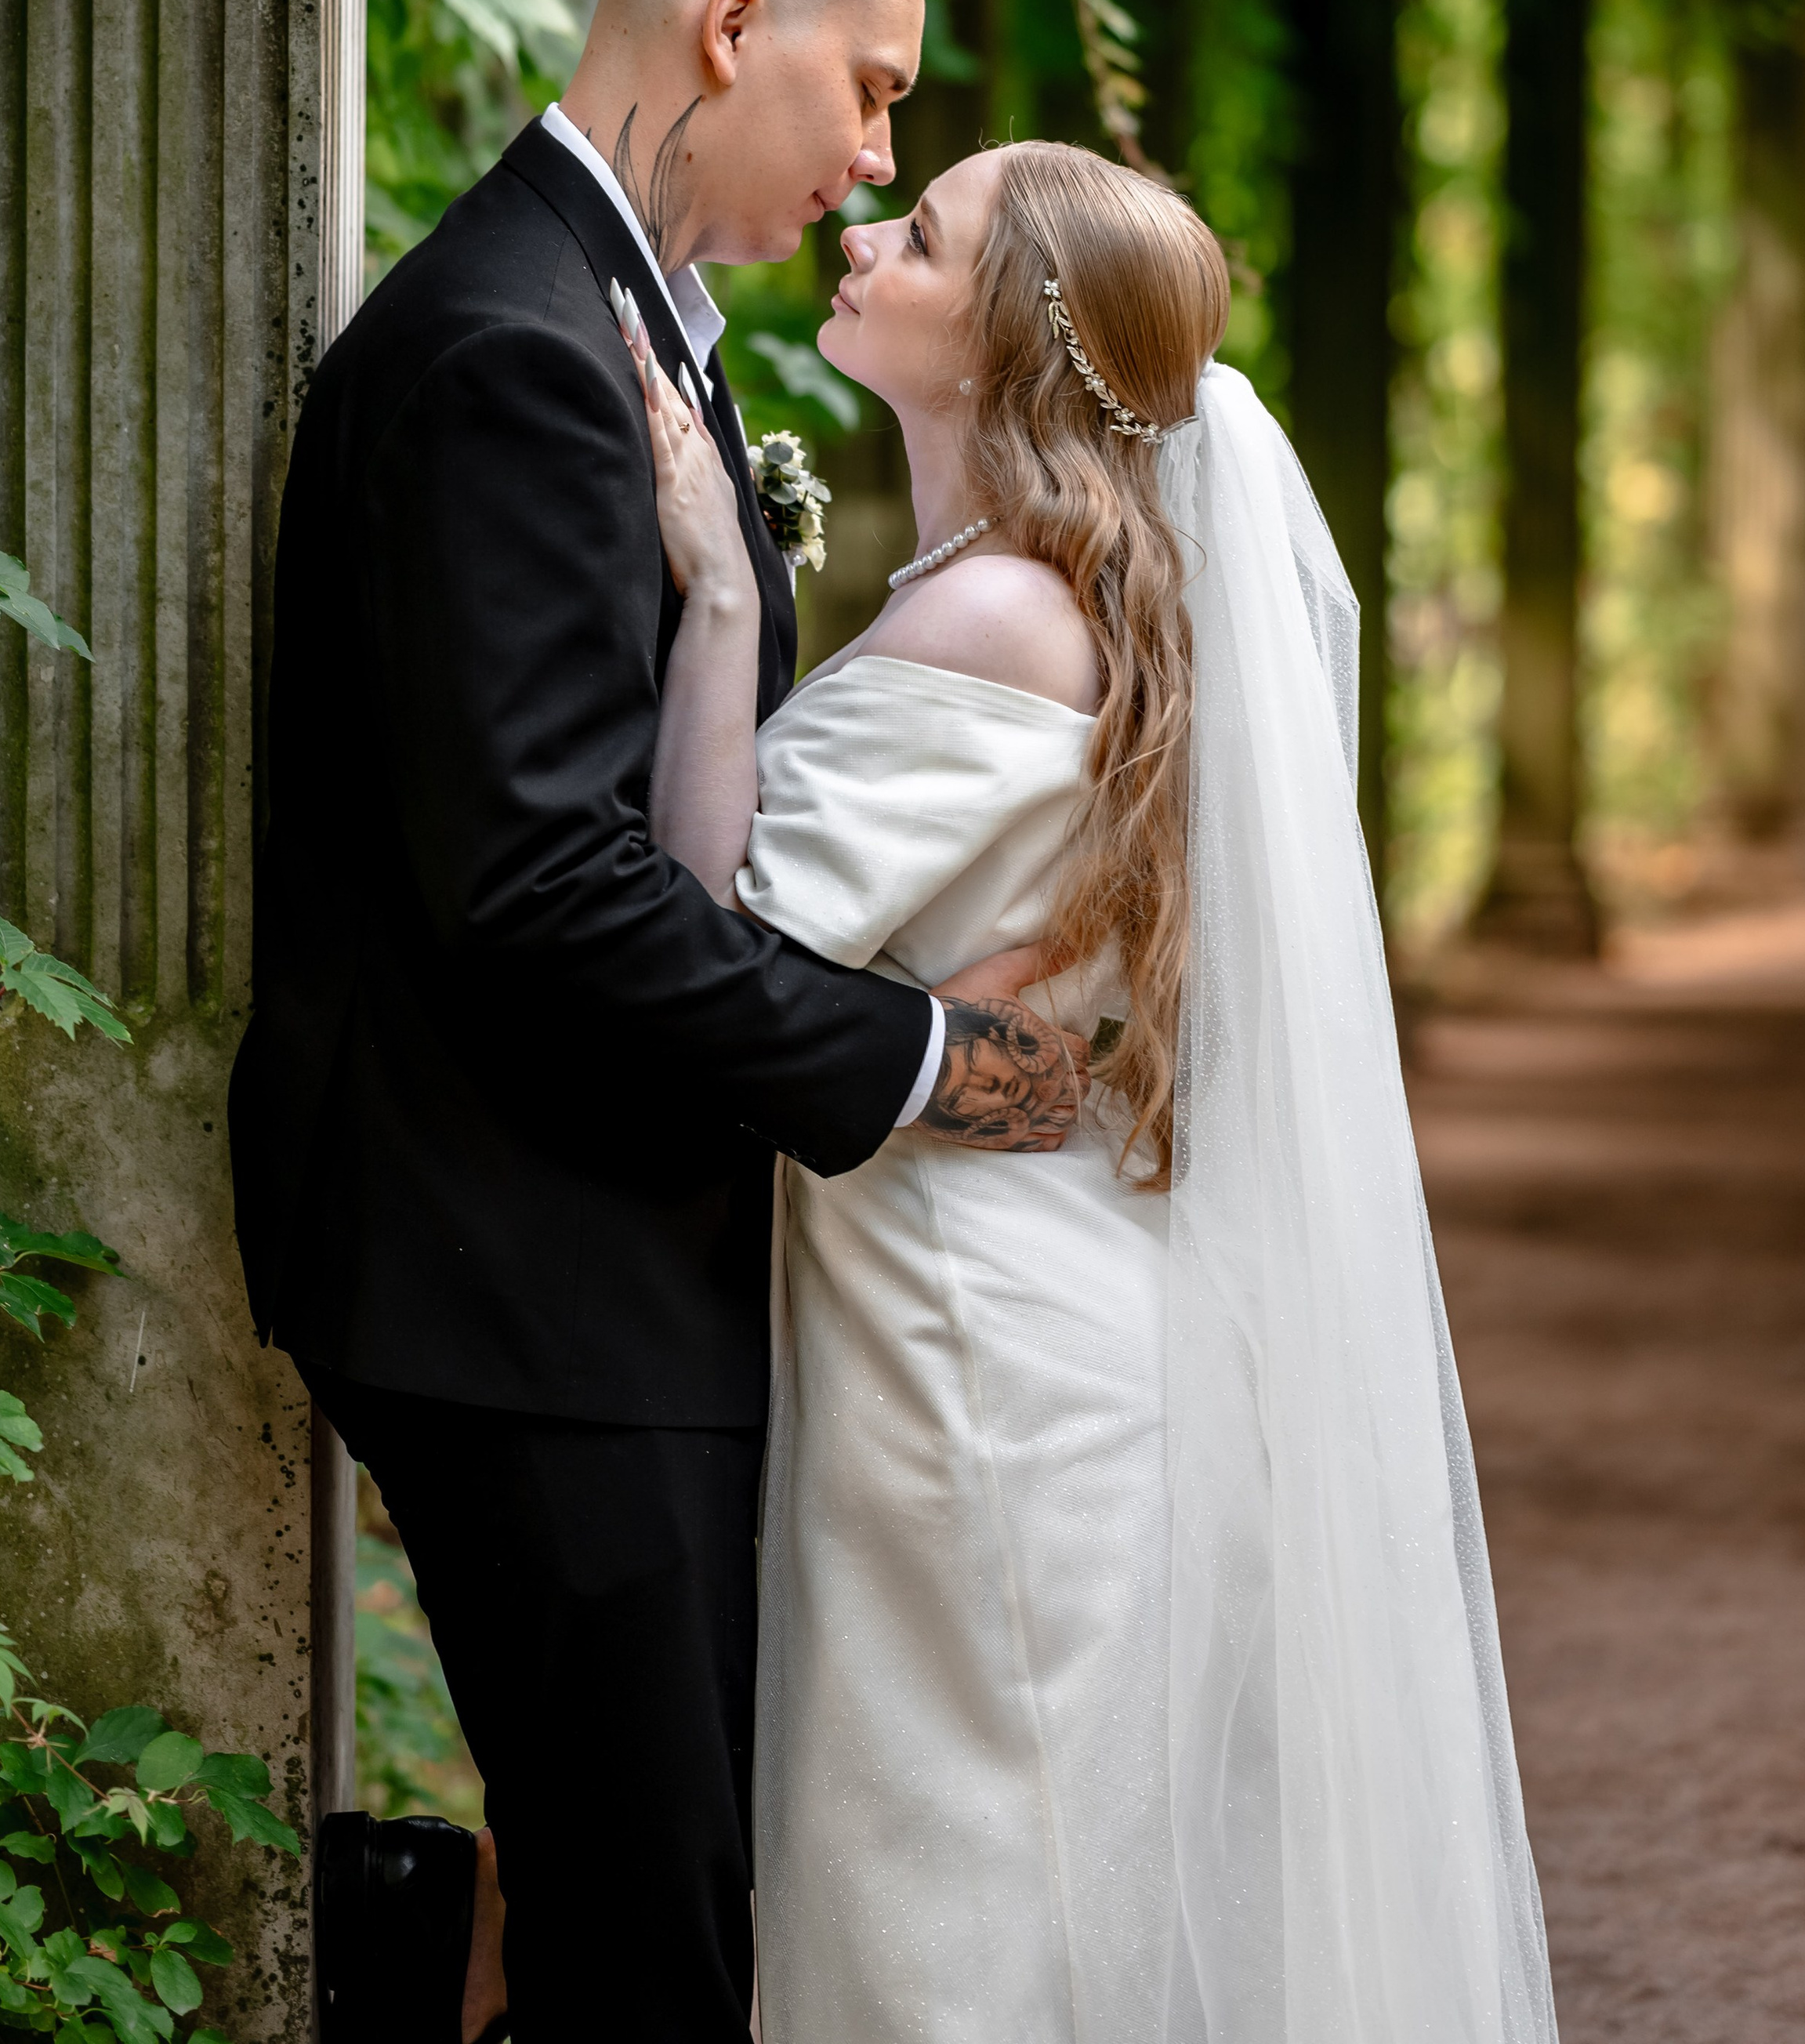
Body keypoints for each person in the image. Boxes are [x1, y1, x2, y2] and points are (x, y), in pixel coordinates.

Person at [227, 0, 1086, 2044]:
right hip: (523, 1274)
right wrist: (919, 1069)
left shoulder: (630, 319)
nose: (880, 144)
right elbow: (540, 884)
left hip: (603, 1255)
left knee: (656, 1911)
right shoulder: (513, 347)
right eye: (873, 84)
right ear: (733, 23)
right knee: (655, 1939)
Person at [629, 137, 1562, 2043]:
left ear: (998, 341)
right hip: (1061, 1311)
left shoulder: (992, 617)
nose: (869, 230)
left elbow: (703, 932)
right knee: (1058, 1886)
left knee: (956, 1893)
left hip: (966, 1338)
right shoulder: (1092, 594)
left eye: (928, 232)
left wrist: (720, 602)